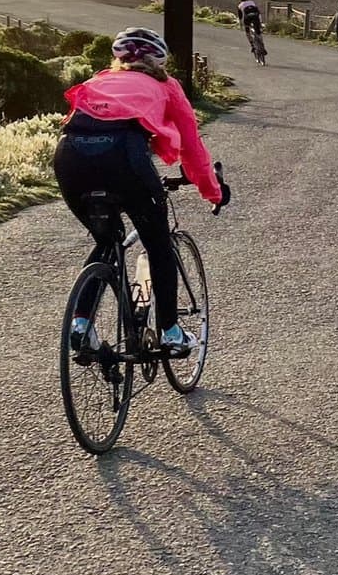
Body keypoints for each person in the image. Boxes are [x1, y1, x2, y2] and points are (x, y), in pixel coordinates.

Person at [53, 27, 230, 354]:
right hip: (124, 158)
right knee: (158, 244)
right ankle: (171, 333)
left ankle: (81, 326)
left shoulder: (99, 79)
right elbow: (192, 148)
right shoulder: (166, 86)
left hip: (69, 156)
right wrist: (213, 191)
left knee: (107, 240)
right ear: (159, 61)